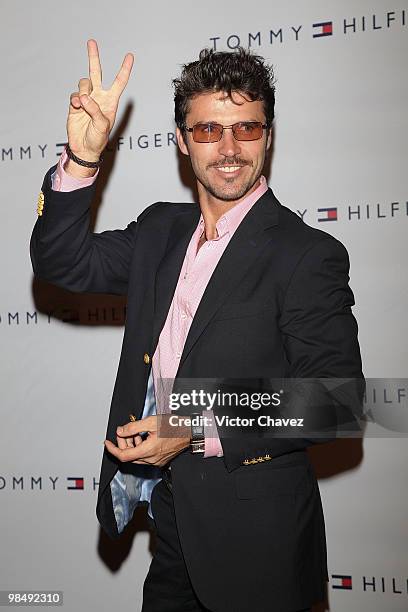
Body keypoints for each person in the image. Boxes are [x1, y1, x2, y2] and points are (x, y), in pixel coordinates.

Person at [30, 39, 364, 612]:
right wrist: (83, 161)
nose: (229, 148)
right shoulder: (160, 230)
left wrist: (188, 425)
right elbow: (63, 262)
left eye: (247, 129)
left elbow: (337, 401)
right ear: (183, 141)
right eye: (209, 130)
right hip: (173, 527)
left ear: (269, 134)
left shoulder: (306, 254)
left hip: (258, 548)